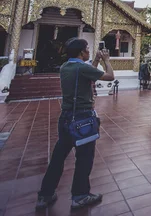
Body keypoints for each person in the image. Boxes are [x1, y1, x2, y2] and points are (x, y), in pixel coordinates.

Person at [36, 39, 114, 211]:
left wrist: (95, 60)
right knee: (84, 157)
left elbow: (87, 74)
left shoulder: (65, 67)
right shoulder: (82, 68)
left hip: (65, 118)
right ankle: (80, 196)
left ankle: (45, 194)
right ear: (81, 52)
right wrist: (107, 61)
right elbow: (110, 76)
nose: (88, 51)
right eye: (86, 49)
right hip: (82, 118)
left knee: (58, 157)